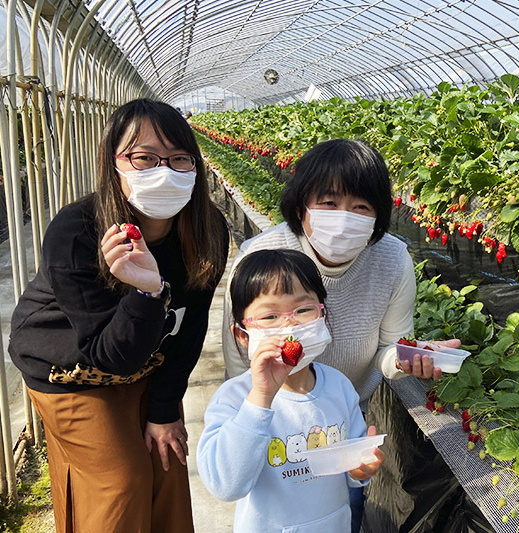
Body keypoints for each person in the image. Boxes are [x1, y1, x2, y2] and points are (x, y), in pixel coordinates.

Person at [8, 98, 229, 533]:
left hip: (145, 358)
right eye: (145, 157)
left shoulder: (207, 230)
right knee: (120, 482)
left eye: (179, 158)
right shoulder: (79, 231)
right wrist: (148, 291)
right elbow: (110, 356)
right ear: (115, 164)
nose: (163, 170)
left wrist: (165, 410)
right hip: (72, 369)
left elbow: (191, 327)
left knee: (167, 465)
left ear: (196, 167)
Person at [220, 138, 460, 531]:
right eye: (329, 203)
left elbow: (389, 346)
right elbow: (238, 356)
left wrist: (404, 358)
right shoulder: (261, 257)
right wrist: (245, 418)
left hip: (343, 418)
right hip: (274, 422)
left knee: (340, 508)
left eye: (361, 207)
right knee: (271, 510)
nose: (344, 217)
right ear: (302, 207)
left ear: (378, 217)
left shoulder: (392, 258)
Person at [198, 249, 384, 532]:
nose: (289, 326)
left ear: (323, 315)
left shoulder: (339, 386)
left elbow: (353, 466)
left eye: (303, 310)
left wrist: (361, 469)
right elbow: (225, 486)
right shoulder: (235, 398)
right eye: (270, 316)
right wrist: (261, 397)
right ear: (242, 336)